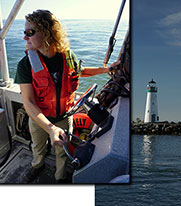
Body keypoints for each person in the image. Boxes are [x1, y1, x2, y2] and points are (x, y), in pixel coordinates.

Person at [14, 10, 116, 183]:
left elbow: (80, 71)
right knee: (37, 148)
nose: (25, 37)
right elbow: (28, 102)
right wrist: (50, 128)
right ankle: (37, 166)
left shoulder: (67, 56)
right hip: (39, 119)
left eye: (29, 32)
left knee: (62, 152)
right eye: (24, 32)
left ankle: (60, 178)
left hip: (64, 117)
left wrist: (106, 69)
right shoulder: (25, 65)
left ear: (47, 32)